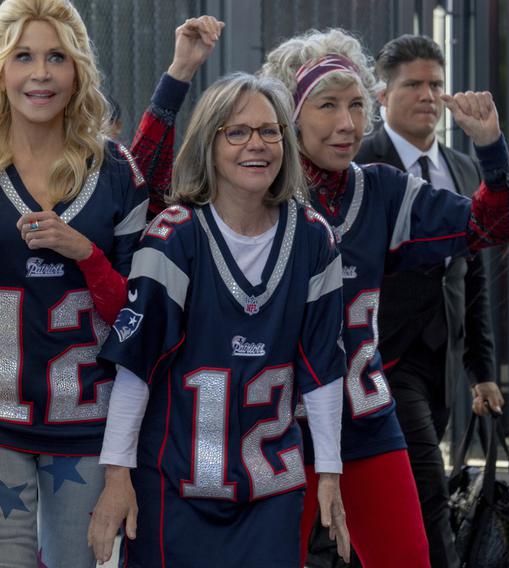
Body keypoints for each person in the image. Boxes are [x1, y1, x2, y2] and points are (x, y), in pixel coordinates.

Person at [0, 1, 222, 565]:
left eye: (57, 56)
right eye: (24, 56)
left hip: (87, 424)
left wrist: (85, 253)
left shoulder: (115, 171)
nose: (40, 73)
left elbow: (139, 316)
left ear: (78, 68)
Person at [259, 28, 509, 567]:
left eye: (357, 104)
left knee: (408, 556)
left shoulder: (379, 188)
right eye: (327, 105)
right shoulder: (255, 191)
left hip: (364, 417)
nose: (347, 124)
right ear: (290, 112)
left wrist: (491, 151)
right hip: (278, 422)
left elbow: (492, 225)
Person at [86, 72, 350, 568]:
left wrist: (330, 473)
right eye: (237, 131)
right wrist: (117, 474)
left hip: (269, 490)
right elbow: (136, 365)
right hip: (174, 486)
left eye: (269, 131)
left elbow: (322, 368)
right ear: (209, 143)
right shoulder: (175, 235)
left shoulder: (314, 237)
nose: (257, 145)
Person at [354, 34, 504, 568]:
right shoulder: (359, 163)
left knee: (396, 497)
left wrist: (481, 369)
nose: (427, 94)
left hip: (440, 361)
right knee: (427, 490)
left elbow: (475, 275)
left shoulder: (463, 170)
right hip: (380, 358)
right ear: (382, 94)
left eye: (436, 84)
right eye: (412, 84)